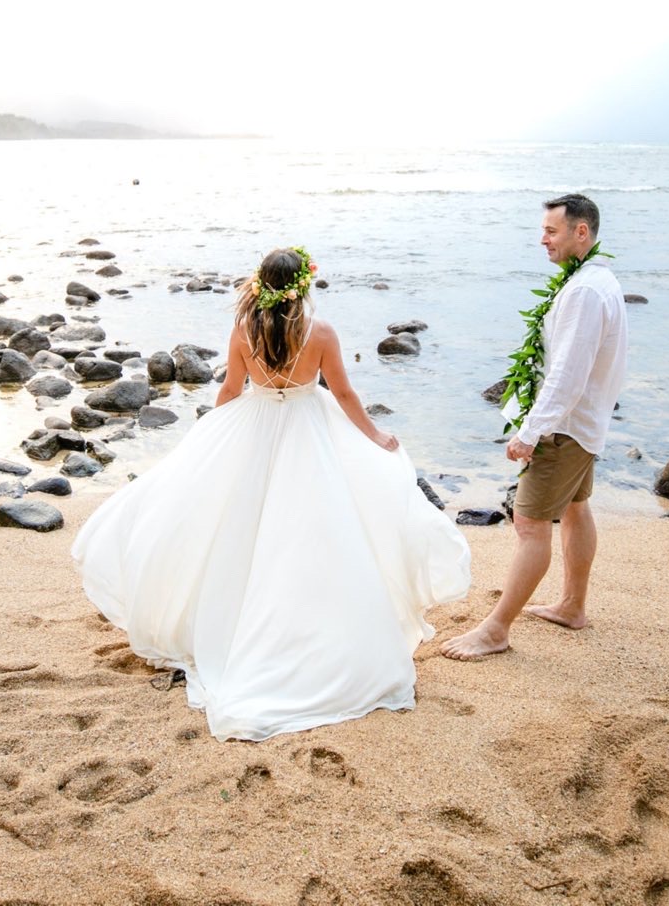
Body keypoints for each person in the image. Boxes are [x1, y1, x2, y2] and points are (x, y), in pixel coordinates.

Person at [71, 246, 471, 741]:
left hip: (256, 425)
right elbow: (344, 394)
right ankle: (314, 628)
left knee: (240, 527)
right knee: (314, 530)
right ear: (304, 284)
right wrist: (375, 436)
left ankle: (229, 623)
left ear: (261, 284)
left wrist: (213, 430)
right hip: (309, 427)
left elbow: (232, 390)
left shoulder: (245, 330)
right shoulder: (320, 332)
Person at [442, 193, 628, 661]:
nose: (542, 239)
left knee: (529, 524)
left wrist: (530, 431)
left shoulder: (585, 291)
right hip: (583, 423)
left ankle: (496, 629)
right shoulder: (596, 280)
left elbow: (567, 372)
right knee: (577, 508)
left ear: (580, 232)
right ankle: (571, 605)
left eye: (551, 230)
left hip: (562, 429)